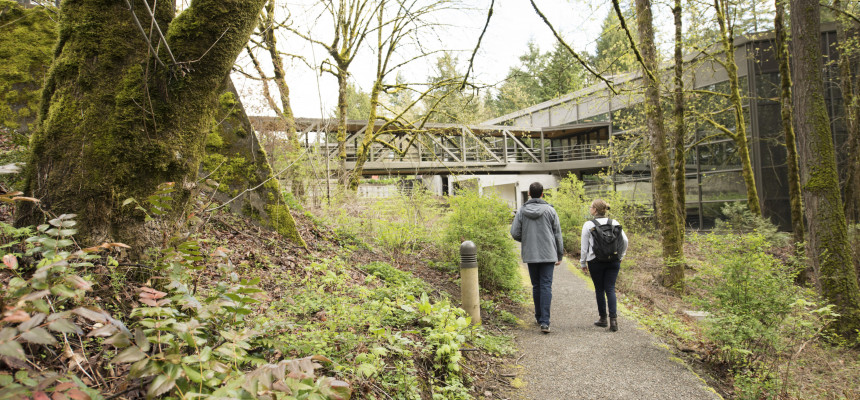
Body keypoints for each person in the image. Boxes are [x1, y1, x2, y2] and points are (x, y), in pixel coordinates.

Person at [511, 182, 564, 334]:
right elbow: (557, 235)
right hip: (548, 254)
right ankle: (545, 323)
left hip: (531, 254)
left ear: (529, 193)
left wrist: (527, 240)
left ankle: (539, 316)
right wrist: (559, 254)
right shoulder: (550, 210)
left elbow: (514, 232)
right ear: (542, 194)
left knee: (536, 285)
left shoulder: (522, 211)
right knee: (546, 285)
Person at [580, 199, 628, 332]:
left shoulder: (588, 225)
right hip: (613, 260)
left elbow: (584, 247)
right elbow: (625, 240)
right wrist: (621, 256)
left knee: (600, 289)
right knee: (610, 289)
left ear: (595, 210)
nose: (590, 209)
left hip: (595, 261)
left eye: (591, 207)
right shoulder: (614, 223)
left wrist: (583, 262)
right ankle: (614, 321)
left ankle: (603, 319)